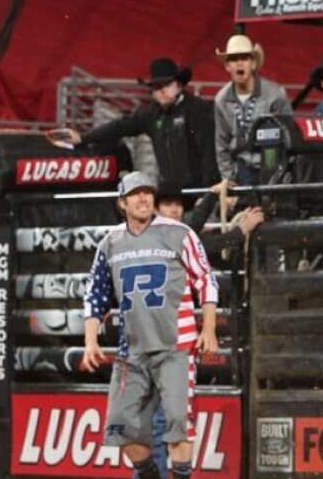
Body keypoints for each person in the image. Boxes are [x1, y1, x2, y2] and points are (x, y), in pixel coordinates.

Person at [81, 172, 218, 479]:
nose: (143, 198)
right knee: (119, 425)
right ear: (122, 202)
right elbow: (95, 293)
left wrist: (208, 329)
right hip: (132, 351)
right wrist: (90, 341)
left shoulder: (179, 233)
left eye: (147, 193)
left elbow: (205, 279)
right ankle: (149, 474)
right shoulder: (110, 243)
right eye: (136, 194)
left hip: (176, 347)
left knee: (178, 426)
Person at [49, 58, 218, 188]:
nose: (161, 91)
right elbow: (120, 127)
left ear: (179, 85)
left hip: (199, 191)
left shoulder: (197, 108)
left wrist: (207, 192)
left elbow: (209, 152)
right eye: (156, 87)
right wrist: (84, 138)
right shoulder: (152, 114)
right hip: (171, 193)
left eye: (167, 84)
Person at [213, 33, 292, 185]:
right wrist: (228, 180)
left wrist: (285, 175)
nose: (239, 63)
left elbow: (290, 137)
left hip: (272, 165)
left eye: (244, 58)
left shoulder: (275, 94)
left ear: (253, 64)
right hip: (241, 169)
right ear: (227, 66)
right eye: (234, 59)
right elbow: (221, 145)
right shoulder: (221, 100)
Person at [155, 181, 265, 238]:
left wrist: (212, 194)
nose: (174, 210)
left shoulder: (181, 230)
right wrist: (241, 230)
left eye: (178, 204)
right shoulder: (158, 235)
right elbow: (208, 244)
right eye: (168, 204)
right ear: (156, 210)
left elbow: (194, 225)